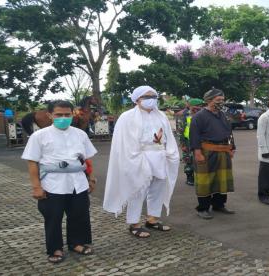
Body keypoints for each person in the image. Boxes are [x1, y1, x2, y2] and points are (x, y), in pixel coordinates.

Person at [21, 100, 97, 263]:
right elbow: (32, 162)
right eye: (59, 115)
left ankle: (76, 243)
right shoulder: (39, 136)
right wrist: (36, 187)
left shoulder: (80, 134)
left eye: (67, 115)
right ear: (50, 115)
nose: (63, 118)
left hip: (78, 182)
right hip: (52, 183)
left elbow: (87, 159)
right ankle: (55, 248)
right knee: (53, 217)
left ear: (72, 114)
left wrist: (91, 179)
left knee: (79, 214)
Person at [103, 86, 180, 238]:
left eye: (153, 96)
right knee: (138, 190)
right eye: (146, 97)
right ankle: (134, 223)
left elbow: (169, 137)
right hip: (139, 157)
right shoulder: (127, 117)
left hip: (159, 155)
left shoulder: (162, 116)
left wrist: (171, 154)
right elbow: (123, 142)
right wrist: (134, 159)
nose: (150, 99)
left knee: (158, 188)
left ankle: (152, 219)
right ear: (137, 99)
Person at [190, 88, 236, 219]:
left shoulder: (223, 115)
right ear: (209, 101)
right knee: (205, 180)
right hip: (206, 151)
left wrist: (232, 148)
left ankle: (219, 205)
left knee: (222, 179)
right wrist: (197, 152)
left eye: (222, 99)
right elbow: (195, 136)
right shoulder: (199, 117)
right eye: (218, 100)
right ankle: (203, 208)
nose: (221, 102)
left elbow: (229, 132)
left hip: (223, 151)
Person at [179, 98, 204, 186]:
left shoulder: (203, 115)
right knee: (188, 160)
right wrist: (182, 144)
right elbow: (180, 130)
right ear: (191, 106)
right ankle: (190, 178)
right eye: (197, 106)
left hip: (201, 141)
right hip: (187, 141)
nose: (199, 108)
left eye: (200, 106)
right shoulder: (184, 116)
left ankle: (201, 177)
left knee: (201, 159)